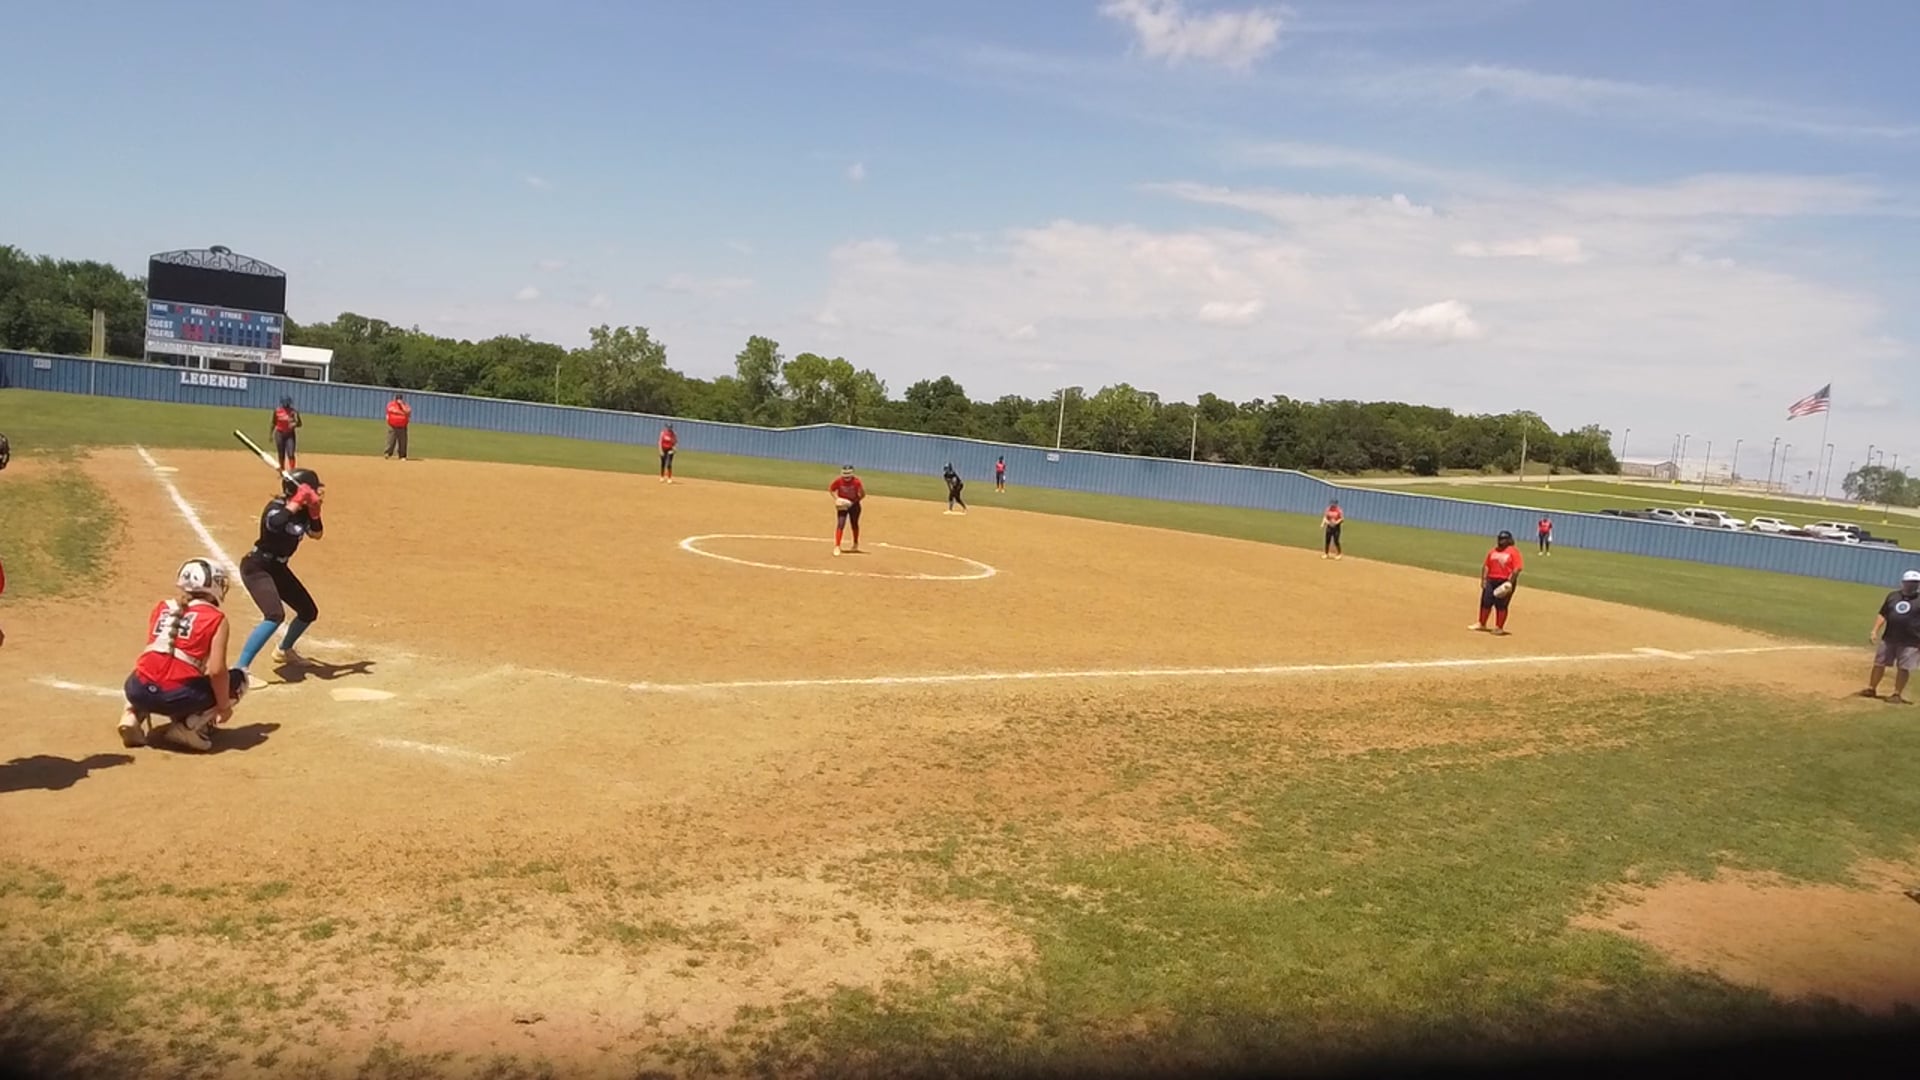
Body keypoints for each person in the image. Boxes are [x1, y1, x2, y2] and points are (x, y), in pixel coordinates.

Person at [120, 558, 248, 752]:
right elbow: (217, 671)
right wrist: (224, 707)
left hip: (137, 690)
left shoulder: (162, 607)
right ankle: (187, 727)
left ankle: (131, 714)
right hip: (175, 697)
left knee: (149, 667)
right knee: (238, 678)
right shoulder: (216, 618)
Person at [235, 468, 326, 681]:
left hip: (278, 568)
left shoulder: (303, 512)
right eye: (313, 489)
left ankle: (284, 650)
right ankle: (239, 669)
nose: (317, 492)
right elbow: (275, 524)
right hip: (257, 566)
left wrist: (315, 512)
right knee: (274, 615)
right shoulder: (275, 507)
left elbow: (317, 534)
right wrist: (297, 501)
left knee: (308, 611)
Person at [1862, 570, 1920, 704]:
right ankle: (1871, 688)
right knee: (1879, 663)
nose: (1913, 585)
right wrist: (1875, 630)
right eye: (1910, 582)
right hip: (1889, 637)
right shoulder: (1893, 596)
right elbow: (1883, 614)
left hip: (1911, 640)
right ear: (1903, 582)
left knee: (1903, 667)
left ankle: (1897, 694)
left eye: (1916, 583)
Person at [1470, 530, 1525, 635]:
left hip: (1505, 581)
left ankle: (1499, 627)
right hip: (1491, 580)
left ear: (1509, 540)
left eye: (1503, 539)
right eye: (1500, 538)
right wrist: (1484, 579)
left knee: (1501, 604)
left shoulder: (1513, 552)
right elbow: (1486, 566)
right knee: (1485, 601)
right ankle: (1481, 623)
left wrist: (1509, 582)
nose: (1501, 541)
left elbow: (1517, 568)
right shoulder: (1493, 551)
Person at [829, 465, 865, 555]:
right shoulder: (838, 481)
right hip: (843, 506)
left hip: (854, 505)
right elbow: (831, 489)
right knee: (841, 524)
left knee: (854, 523)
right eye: (845, 474)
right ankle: (837, 546)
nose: (846, 476)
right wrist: (837, 499)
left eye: (848, 474)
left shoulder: (856, 482)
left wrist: (854, 502)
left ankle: (855, 543)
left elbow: (863, 494)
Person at [271, 396, 302, 471]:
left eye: (288, 403)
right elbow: (274, 423)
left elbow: (300, 423)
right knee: (281, 454)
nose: (287, 404)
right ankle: (282, 470)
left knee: (291, 454)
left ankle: (292, 470)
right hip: (279, 434)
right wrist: (270, 434)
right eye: (285, 403)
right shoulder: (277, 411)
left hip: (290, 435)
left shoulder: (293, 412)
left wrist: (295, 424)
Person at [384, 392, 412, 460]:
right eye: (398, 398)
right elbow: (392, 410)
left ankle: (402, 455)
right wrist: (402, 413)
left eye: (400, 398)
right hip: (393, 425)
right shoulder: (391, 404)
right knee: (390, 440)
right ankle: (388, 453)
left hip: (402, 426)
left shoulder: (405, 405)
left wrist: (402, 405)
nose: (399, 400)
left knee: (403, 441)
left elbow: (408, 411)